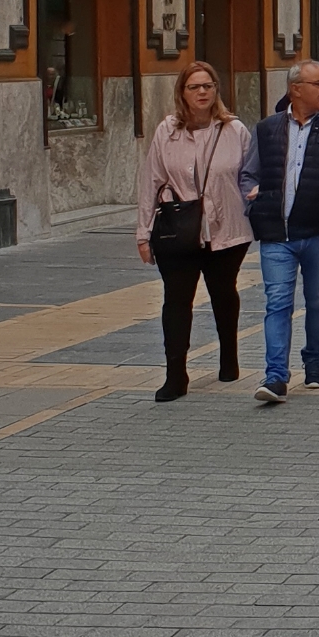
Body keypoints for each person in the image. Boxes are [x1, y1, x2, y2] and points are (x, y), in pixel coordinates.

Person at [239, 59, 319, 403]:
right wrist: (253, 203)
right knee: (277, 302)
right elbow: (248, 174)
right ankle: (276, 376)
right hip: (277, 235)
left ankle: (315, 361)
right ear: (296, 89)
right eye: (318, 84)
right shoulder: (266, 129)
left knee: (318, 300)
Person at [135, 60, 251, 401]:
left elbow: (249, 176)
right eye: (194, 87)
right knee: (176, 300)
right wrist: (143, 232)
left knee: (223, 292)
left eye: (208, 86)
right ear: (182, 93)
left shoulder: (235, 131)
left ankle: (229, 356)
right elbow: (151, 181)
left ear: (216, 90)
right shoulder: (166, 131)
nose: (202, 92)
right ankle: (176, 374)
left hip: (227, 229)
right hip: (177, 230)